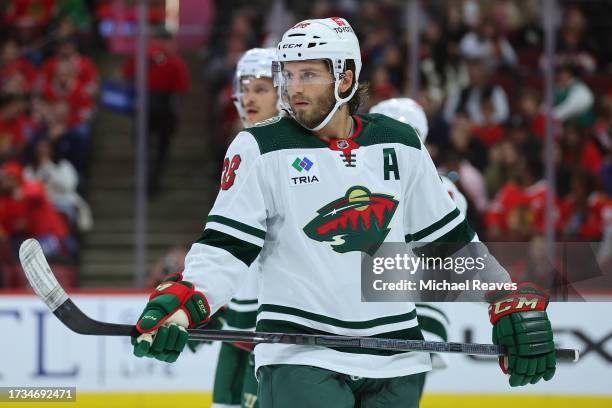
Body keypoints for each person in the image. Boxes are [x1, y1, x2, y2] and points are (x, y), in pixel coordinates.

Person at [131, 18, 557, 406]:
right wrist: (188, 303)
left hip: (396, 357)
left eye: (310, 75)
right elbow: (227, 246)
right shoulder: (259, 147)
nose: (294, 88)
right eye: (289, 75)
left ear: (346, 78)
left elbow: (449, 240)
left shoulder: (399, 142)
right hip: (301, 352)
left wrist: (503, 296)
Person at [211, 47, 280, 408]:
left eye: (262, 88)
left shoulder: (289, 151)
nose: (249, 97)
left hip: (276, 322)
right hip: (241, 315)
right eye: (245, 87)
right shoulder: (243, 147)